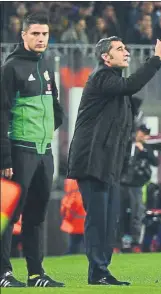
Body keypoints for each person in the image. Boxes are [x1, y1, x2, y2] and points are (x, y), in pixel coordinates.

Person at [67, 34, 161, 286]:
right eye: (119, 49)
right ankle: (97, 271)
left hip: (109, 164)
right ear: (106, 57)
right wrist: (156, 58)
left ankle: (102, 270)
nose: (126, 52)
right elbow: (132, 85)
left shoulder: (115, 85)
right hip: (92, 161)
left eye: (126, 48)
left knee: (110, 219)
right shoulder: (102, 78)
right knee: (98, 218)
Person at [0, 12, 64, 287]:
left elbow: (55, 105)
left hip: (43, 152)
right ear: (23, 35)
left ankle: (36, 273)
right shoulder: (10, 67)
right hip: (19, 151)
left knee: (37, 214)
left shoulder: (47, 65)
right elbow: (1, 114)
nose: (40, 38)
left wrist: (50, 127)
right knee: (7, 216)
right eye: (35, 33)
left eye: (45, 34)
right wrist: (4, 156)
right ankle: (3, 272)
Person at [120, 124, 159, 252]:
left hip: (137, 185)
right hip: (122, 184)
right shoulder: (126, 145)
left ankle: (135, 243)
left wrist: (143, 151)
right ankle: (118, 242)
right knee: (120, 214)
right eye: (141, 132)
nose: (142, 135)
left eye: (145, 133)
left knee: (136, 214)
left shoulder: (147, 148)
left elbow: (155, 162)